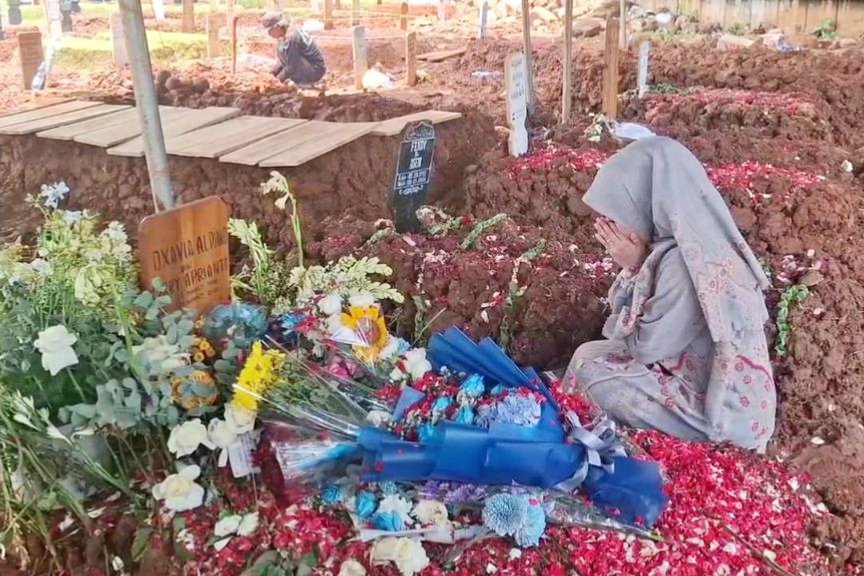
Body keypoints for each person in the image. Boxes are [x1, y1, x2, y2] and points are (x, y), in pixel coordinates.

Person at [563, 137, 776, 452]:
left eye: (616, 216)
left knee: (591, 372)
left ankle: (579, 434)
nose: (609, 228)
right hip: (719, 392)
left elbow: (645, 348)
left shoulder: (682, 262)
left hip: (724, 416)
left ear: (644, 203)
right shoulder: (696, 240)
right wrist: (639, 266)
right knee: (590, 353)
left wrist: (634, 266)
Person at [262, 12, 327, 88]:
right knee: (282, 52)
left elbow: (292, 66)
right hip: (304, 66)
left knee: (291, 65)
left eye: (269, 30)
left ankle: (307, 83)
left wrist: (276, 81)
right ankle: (299, 82)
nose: (269, 34)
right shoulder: (283, 35)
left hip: (315, 70)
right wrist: (271, 74)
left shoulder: (292, 38)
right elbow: (283, 61)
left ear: (277, 26)